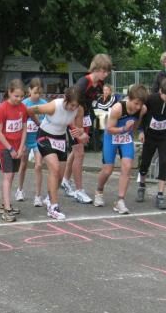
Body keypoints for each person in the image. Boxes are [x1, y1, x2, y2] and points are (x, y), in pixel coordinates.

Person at [27, 87, 87, 221]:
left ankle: (49, 198)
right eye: (72, 105)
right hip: (45, 136)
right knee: (54, 168)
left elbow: (79, 129)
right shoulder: (53, 106)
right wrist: (38, 123)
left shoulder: (79, 109)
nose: (73, 108)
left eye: (76, 106)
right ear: (66, 100)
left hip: (60, 139)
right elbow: (29, 110)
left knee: (60, 175)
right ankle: (53, 207)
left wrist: (80, 132)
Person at [62, 54, 112, 204]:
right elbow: (69, 105)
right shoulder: (83, 83)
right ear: (96, 69)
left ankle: (65, 180)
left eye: (108, 71)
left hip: (86, 118)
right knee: (80, 153)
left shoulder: (100, 83)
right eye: (104, 71)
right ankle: (79, 190)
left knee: (76, 151)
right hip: (74, 117)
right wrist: (74, 127)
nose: (106, 74)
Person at [94, 84, 147, 214]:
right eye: (136, 103)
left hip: (126, 138)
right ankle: (99, 191)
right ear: (129, 98)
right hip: (111, 137)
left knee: (127, 166)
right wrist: (124, 128)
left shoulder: (142, 109)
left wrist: (136, 130)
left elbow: (136, 125)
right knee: (108, 170)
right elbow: (109, 129)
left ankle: (120, 200)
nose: (138, 107)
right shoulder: (118, 108)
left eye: (140, 104)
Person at [136, 78, 166, 210]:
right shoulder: (151, 99)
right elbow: (141, 116)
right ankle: (141, 186)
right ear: (160, 91)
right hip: (150, 136)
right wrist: (141, 131)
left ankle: (160, 194)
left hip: (164, 137)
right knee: (145, 161)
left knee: (163, 162)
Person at [0, 79, 29, 222]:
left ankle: (5, 204)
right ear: (9, 93)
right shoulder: (2, 108)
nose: (19, 99)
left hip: (17, 147)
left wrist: (21, 147)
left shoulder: (23, 108)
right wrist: (10, 148)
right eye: (16, 96)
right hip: (5, 147)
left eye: (22, 96)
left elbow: (24, 128)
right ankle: (7, 209)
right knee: (7, 176)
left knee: (12, 175)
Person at [17, 78, 45, 206]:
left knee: (38, 166)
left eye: (39, 93)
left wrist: (40, 122)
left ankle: (38, 196)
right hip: (25, 139)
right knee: (23, 165)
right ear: (29, 90)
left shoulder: (44, 104)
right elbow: (19, 123)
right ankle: (20, 190)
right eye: (35, 92)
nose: (37, 95)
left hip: (38, 139)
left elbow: (47, 121)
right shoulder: (23, 104)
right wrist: (19, 143)